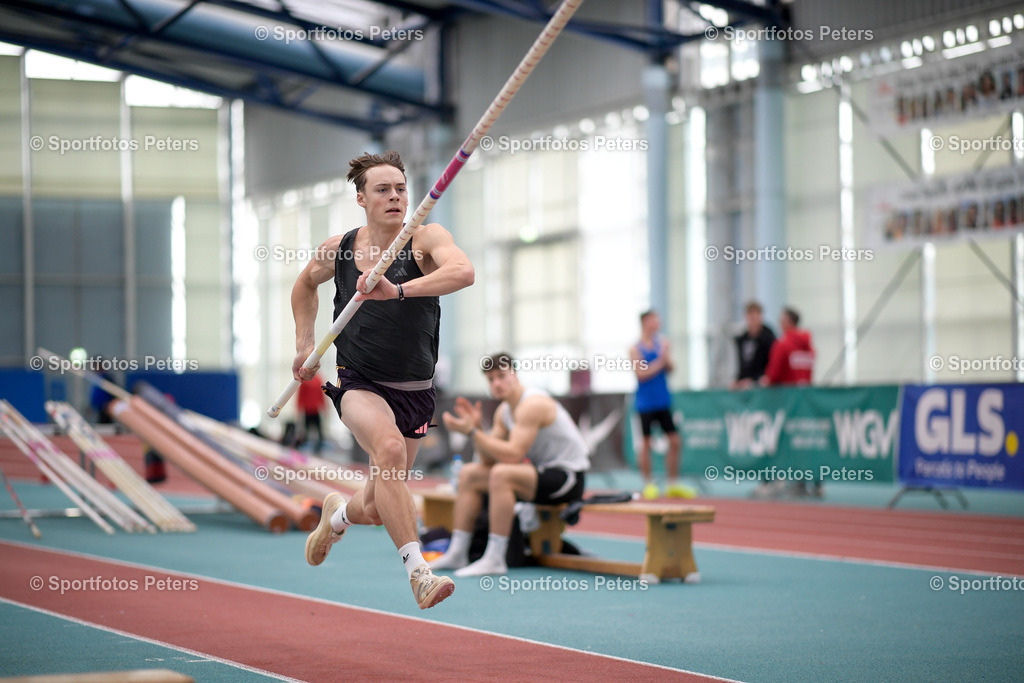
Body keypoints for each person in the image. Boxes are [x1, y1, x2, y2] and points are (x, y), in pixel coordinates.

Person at [293, 150, 474, 610]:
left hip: (414, 390)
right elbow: (303, 286)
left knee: (373, 508)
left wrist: (397, 290)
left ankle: (336, 517)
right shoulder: (340, 249)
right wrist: (304, 345)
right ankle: (420, 574)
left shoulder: (426, 238)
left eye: (400, 189)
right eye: (382, 189)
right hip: (359, 382)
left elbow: (463, 272)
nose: (395, 197)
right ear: (361, 198)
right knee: (389, 452)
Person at [429, 352, 590, 576]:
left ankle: (495, 558)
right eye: (491, 379)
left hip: (569, 477)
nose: (497, 383)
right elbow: (487, 460)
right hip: (539, 474)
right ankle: (458, 552)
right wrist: (476, 431)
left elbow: (513, 455)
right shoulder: (504, 412)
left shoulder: (533, 404)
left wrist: (474, 433)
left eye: (501, 376)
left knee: (502, 474)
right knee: (469, 474)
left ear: (515, 374)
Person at [629, 311, 691, 500]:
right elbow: (641, 373)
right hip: (645, 404)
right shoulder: (635, 348)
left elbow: (671, 369)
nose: (657, 322)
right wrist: (659, 361)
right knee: (646, 444)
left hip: (663, 401)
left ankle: (672, 483)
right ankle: (648, 484)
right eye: (654, 319)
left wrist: (666, 356)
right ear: (645, 322)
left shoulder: (661, 344)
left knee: (675, 441)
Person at [761, 307, 818, 497]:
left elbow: (773, 375)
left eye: (781, 319)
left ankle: (783, 480)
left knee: (785, 442)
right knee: (804, 441)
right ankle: (810, 483)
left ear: (787, 322)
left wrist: (764, 382)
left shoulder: (782, 344)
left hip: (785, 402)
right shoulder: (809, 346)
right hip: (806, 400)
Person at [731, 301, 776, 390]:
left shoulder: (769, 338)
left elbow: (773, 363)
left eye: (755, 317)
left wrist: (756, 380)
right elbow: (742, 365)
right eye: (750, 317)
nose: (752, 320)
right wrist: (737, 379)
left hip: (762, 385)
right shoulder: (742, 339)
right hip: (745, 384)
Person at [297, 374, 326, 453]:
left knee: (319, 431)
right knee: (306, 431)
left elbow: (321, 394)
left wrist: (324, 406)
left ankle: (318, 449)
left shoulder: (318, 379)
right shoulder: (305, 380)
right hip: (307, 409)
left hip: (315, 409)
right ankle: (304, 448)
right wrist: (298, 407)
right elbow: (301, 395)